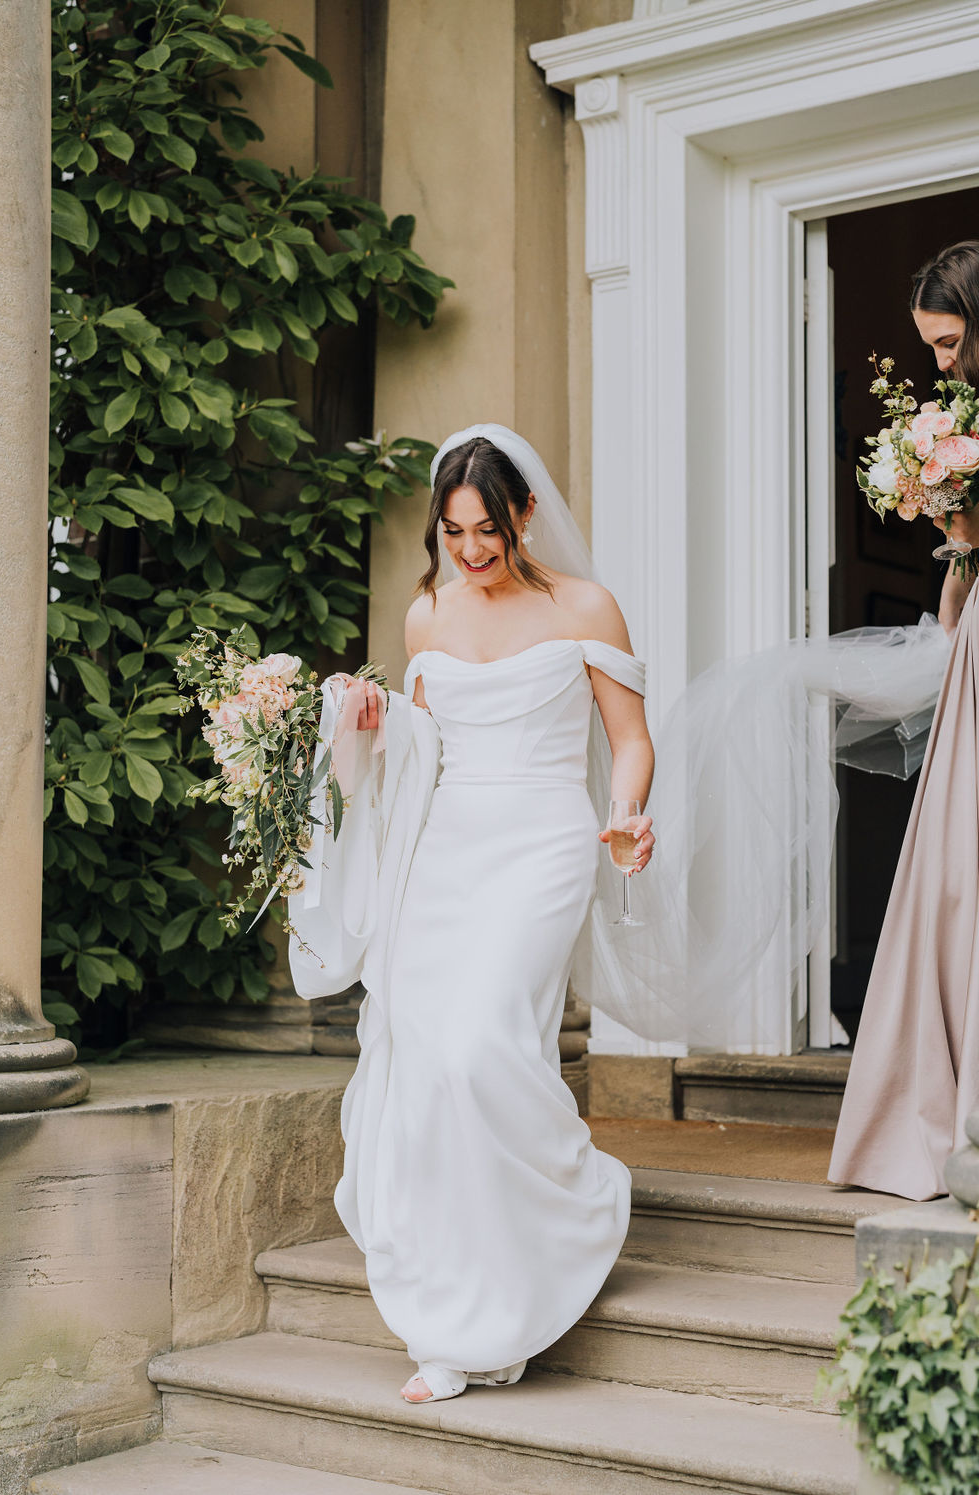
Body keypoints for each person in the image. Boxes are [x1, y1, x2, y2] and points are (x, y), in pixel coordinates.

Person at [289, 425, 656, 1403]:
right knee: (427, 1057)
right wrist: (361, 727)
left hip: (541, 844)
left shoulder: (585, 606)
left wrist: (625, 811)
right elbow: (413, 750)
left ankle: (573, 1201)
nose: (471, 550)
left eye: (486, 529)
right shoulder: (425, 617)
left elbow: (629, 739)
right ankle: (455, 1320)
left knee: (480, 1046)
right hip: (443, 853)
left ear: (524, 514)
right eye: (453, 533)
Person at [828, 239, 979, 1201]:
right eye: (931, 349)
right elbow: (965, 570)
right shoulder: (958, 420)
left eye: (953, 343)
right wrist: (958, 551)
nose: (942, 367)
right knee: (959, 879)